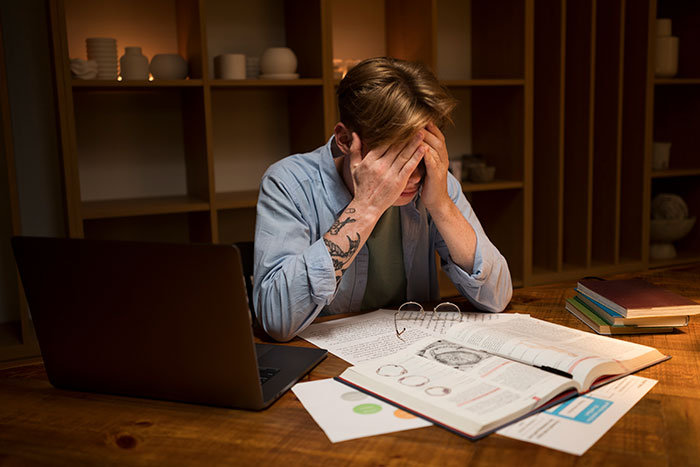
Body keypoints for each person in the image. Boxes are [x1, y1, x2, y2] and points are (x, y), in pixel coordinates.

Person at [253, 57, 512, 342]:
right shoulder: (289, 183)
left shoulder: (434, 182)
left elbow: (497, 297)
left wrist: (441, 205)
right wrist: (365, 208)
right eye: (394, 159)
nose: (412, 176)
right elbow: (275, 319)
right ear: (344, 140)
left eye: (420, 157)